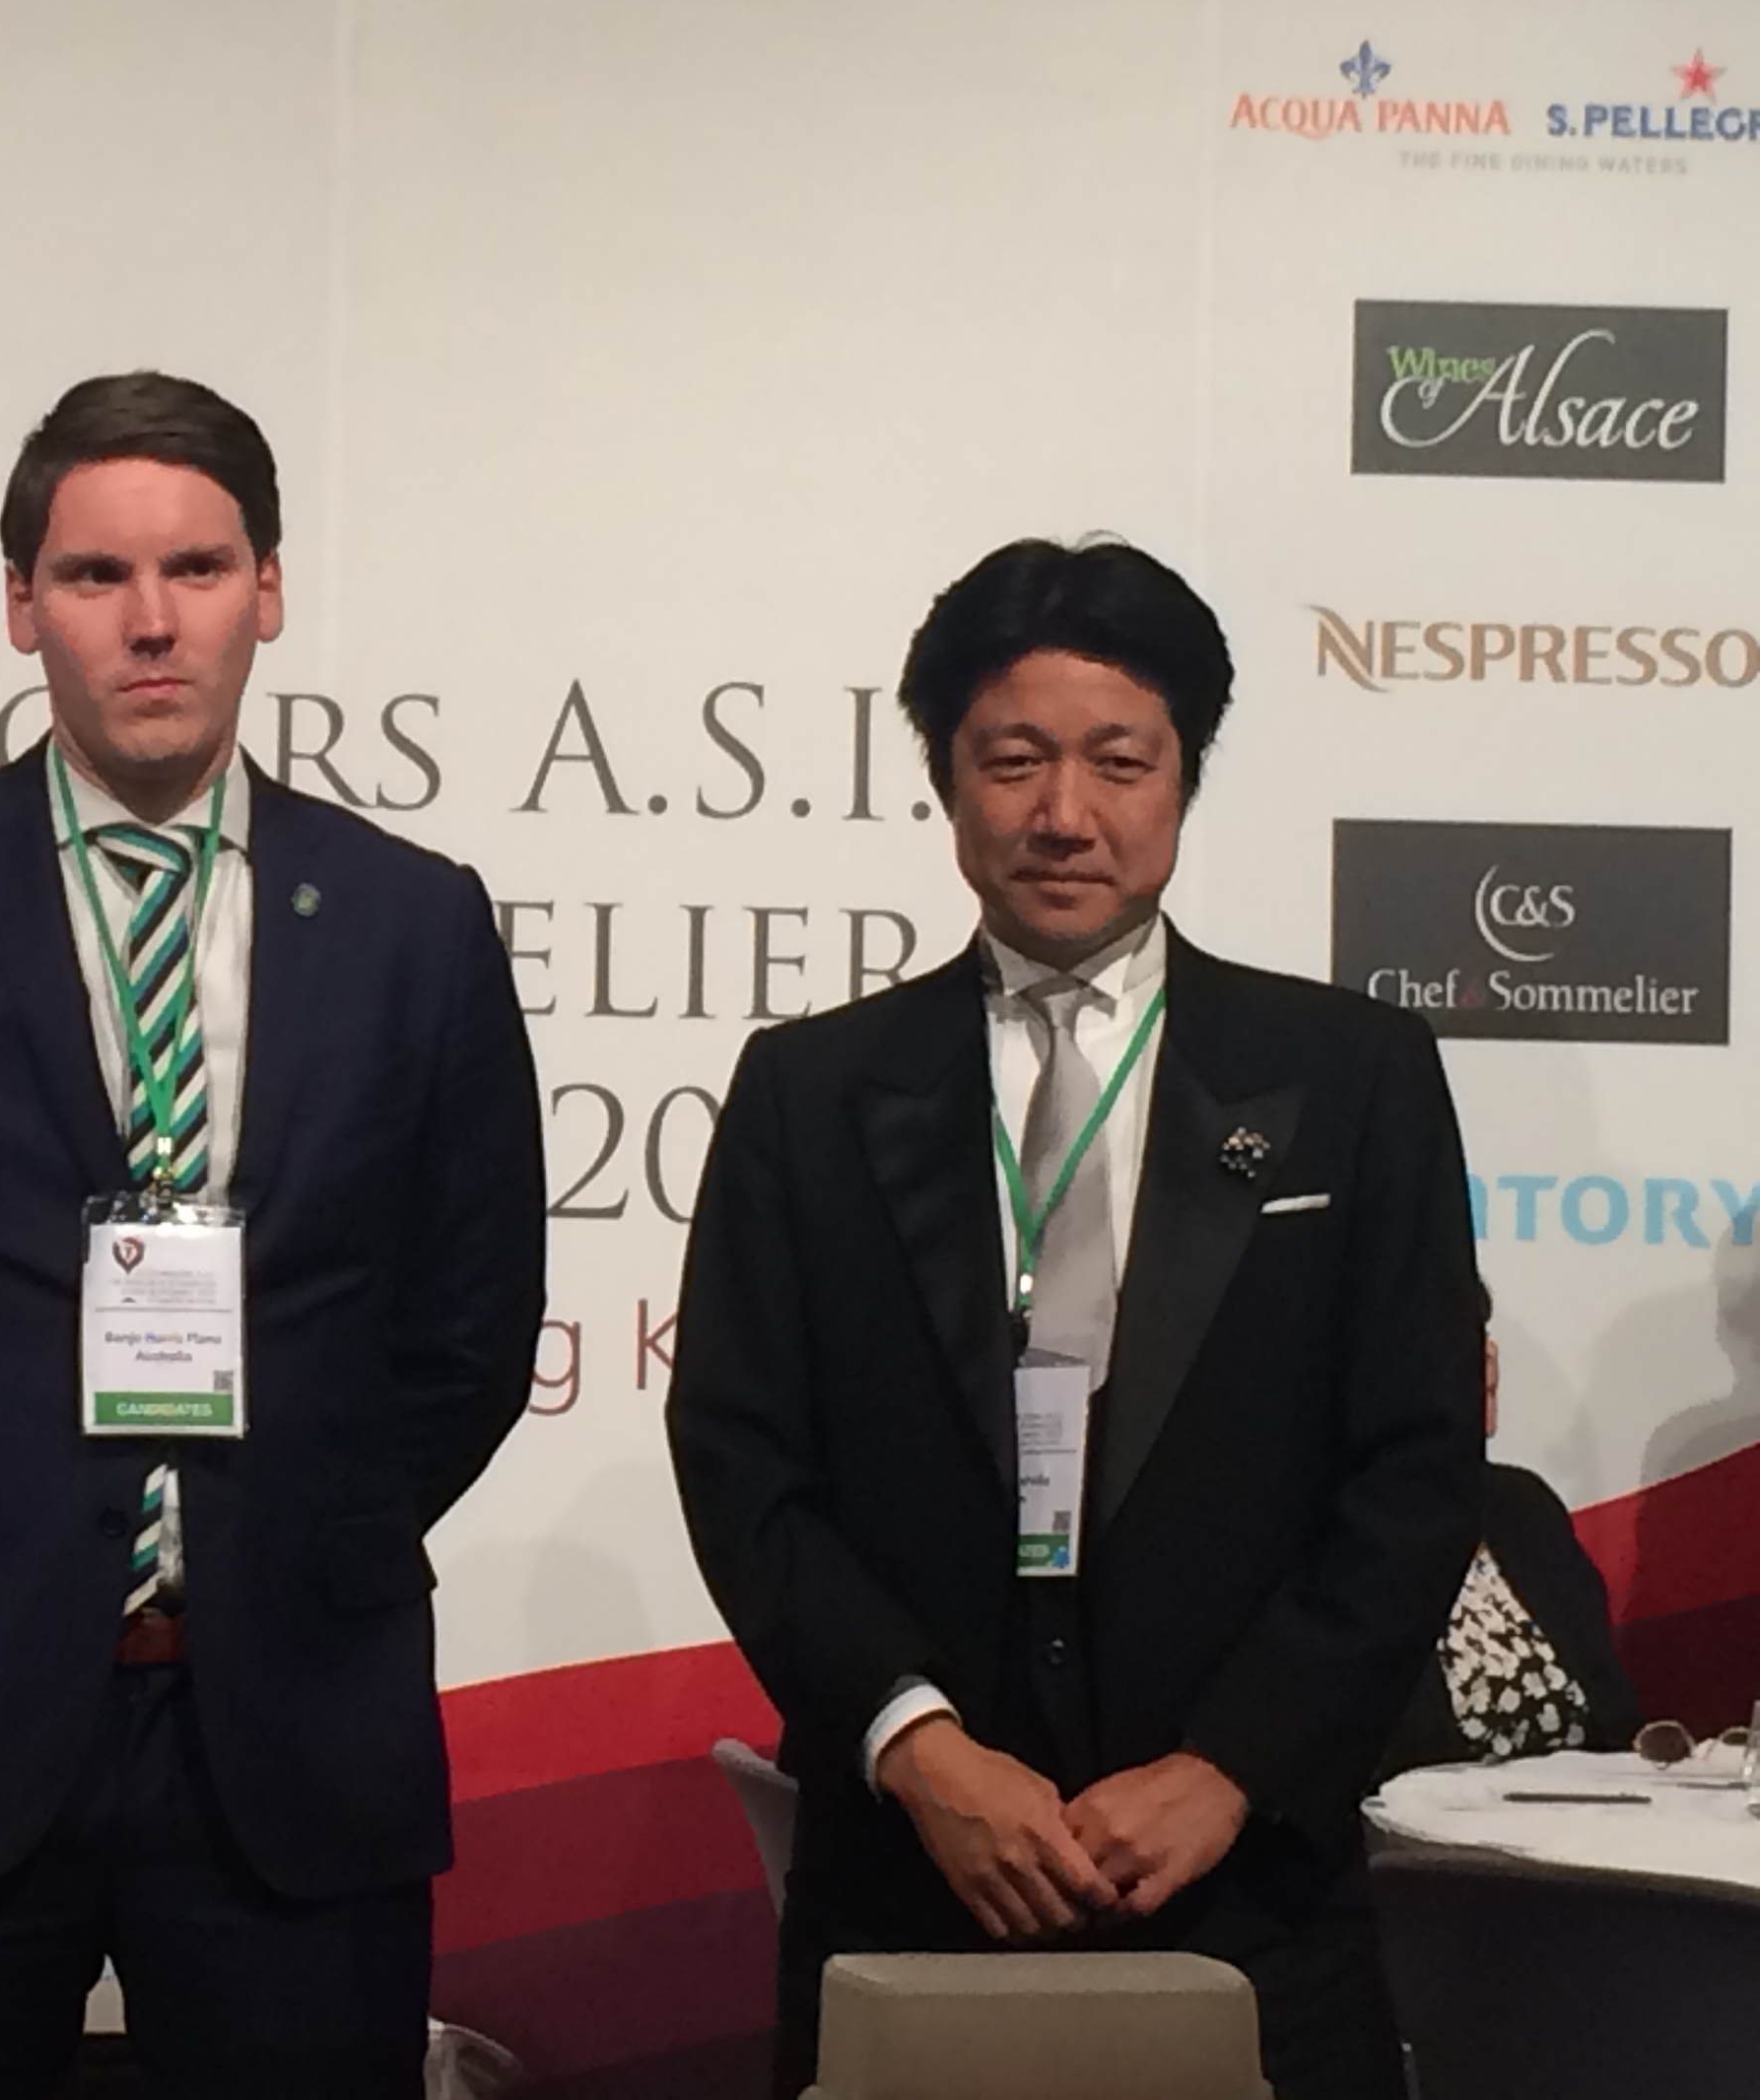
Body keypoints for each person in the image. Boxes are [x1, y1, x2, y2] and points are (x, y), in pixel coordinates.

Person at [0, 370, 546, 2100]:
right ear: (19, 605)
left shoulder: (410, 922)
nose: (150, 621)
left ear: (266, 590)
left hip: (295, 1724)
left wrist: (301, 1527)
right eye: (93, 574)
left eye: (196, 569)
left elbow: (472, 1329)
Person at [668, 537, 1482, 2100]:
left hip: (1249, 1892)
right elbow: (741, 1461)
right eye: (1014, 760)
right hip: (913, 1880)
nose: (1064, 812)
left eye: (1119, 760)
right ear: (945, 779)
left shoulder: (1350, 1078)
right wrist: (917, 1745)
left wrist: (1233, 1767)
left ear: (1184, 777)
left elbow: (1417, 1466)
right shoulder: (811, 1091)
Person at [1378, 1294, 1640, 1779]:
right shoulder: (1326, 1533)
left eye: (1479, 1334)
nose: (1486, 1356)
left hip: (1584, 1816)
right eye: (1449, 1343)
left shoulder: (1523, 1506)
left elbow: (1617, 1719)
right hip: (1407, 1825)